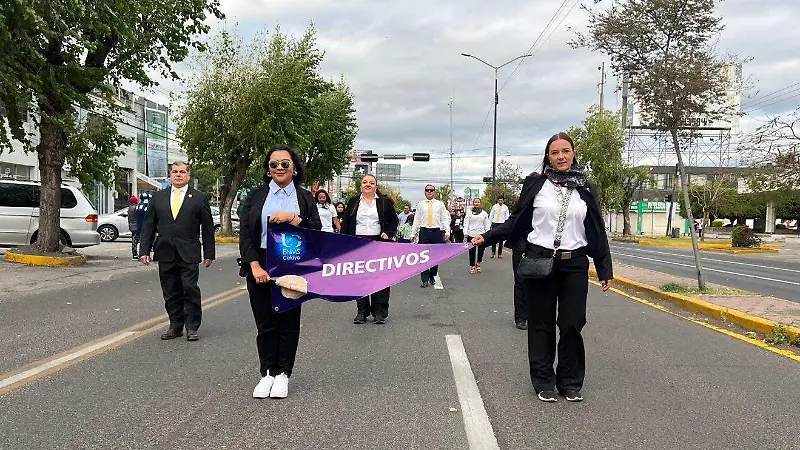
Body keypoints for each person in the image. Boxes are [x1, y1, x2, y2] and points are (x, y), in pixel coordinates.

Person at [472, 132, 613, 403]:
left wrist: (604, 268)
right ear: (547, 157)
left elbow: (596, 228)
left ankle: (570, 381)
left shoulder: (586, 188)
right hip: (540, 260)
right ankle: (543, 380)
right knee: (541, 324)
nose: (560, 157)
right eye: (554, 152)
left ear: (573, 153)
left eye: (565, 151)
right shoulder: (536, 184)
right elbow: (516, 220)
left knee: (573, 323)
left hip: (575, 263)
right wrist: (488, 237)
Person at [239, 145, 322, 399]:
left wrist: (294, 218)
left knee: (287, 321)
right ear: (268, 169)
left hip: (292, 262)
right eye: (273, 164)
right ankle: (267, 373)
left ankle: (284, 373)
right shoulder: (255, 196)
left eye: (284, 164)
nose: (279, 168)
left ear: (294, 168)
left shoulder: (305, 198)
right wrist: (254, 264)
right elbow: (246, 233)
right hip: (262, 260)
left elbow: (316, 231)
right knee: (265, 322)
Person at [139, 161, 216, 342]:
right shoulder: (158, 197)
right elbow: (148, 225)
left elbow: (207, 227)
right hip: (165, 251)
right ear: (170, 175)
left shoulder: (198, 197)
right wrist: (144, 249)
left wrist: (209, 253)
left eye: (182, 172)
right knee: (170, 291)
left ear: (188, 176)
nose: (178, 175)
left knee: (189, 288)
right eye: (175, 172)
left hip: (189, 251)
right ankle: (175, 326)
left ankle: (191, 327)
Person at [340, 174, 399, 324]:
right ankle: (362, 311)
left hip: (379, 242)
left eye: (371, 183)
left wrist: (388, 233)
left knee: (380, 277)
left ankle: (379, 312)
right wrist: (344, 242)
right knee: (360, 278)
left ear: (375, 186)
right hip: (358, 243)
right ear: (361, 185)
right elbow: (346, 222)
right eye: (365, 182)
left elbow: (394, 221)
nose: (368, 185)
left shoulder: (384, 203)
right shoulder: (353, 202)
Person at [411, 185, 451, 288]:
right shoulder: (421, 204)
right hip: (424, 232)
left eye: (431, 190)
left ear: (434, 192)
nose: (429, 192)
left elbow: (444, 219)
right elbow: (417, 220)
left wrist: (447, 232)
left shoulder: (440, 204)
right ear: (424, 192)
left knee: (435, 256)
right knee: (423, 257)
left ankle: (432, 275)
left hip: (437, 232)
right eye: (427, 190)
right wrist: (413, 234)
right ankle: (424, 279)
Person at [463, 198, 490, 274]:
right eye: (475, 202)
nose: (477, 203)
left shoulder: (484, 213)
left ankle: (478, 263)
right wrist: (465, 232)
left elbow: (487, 224)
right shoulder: (469, 213)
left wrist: (487, 233)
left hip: (481, 234)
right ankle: (472, 266)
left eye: (478, 202)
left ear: (480, 203)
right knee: (472, 251)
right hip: (471, 234)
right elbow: (466, 223)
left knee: (481, 250)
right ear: (473, 203)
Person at [127, 196, 140, 260]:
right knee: (135, 240)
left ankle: (135, 254)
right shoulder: (135, 208)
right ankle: (135, 254)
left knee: (134, 240)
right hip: (136, 226)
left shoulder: (130, 208)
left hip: (132, 226)